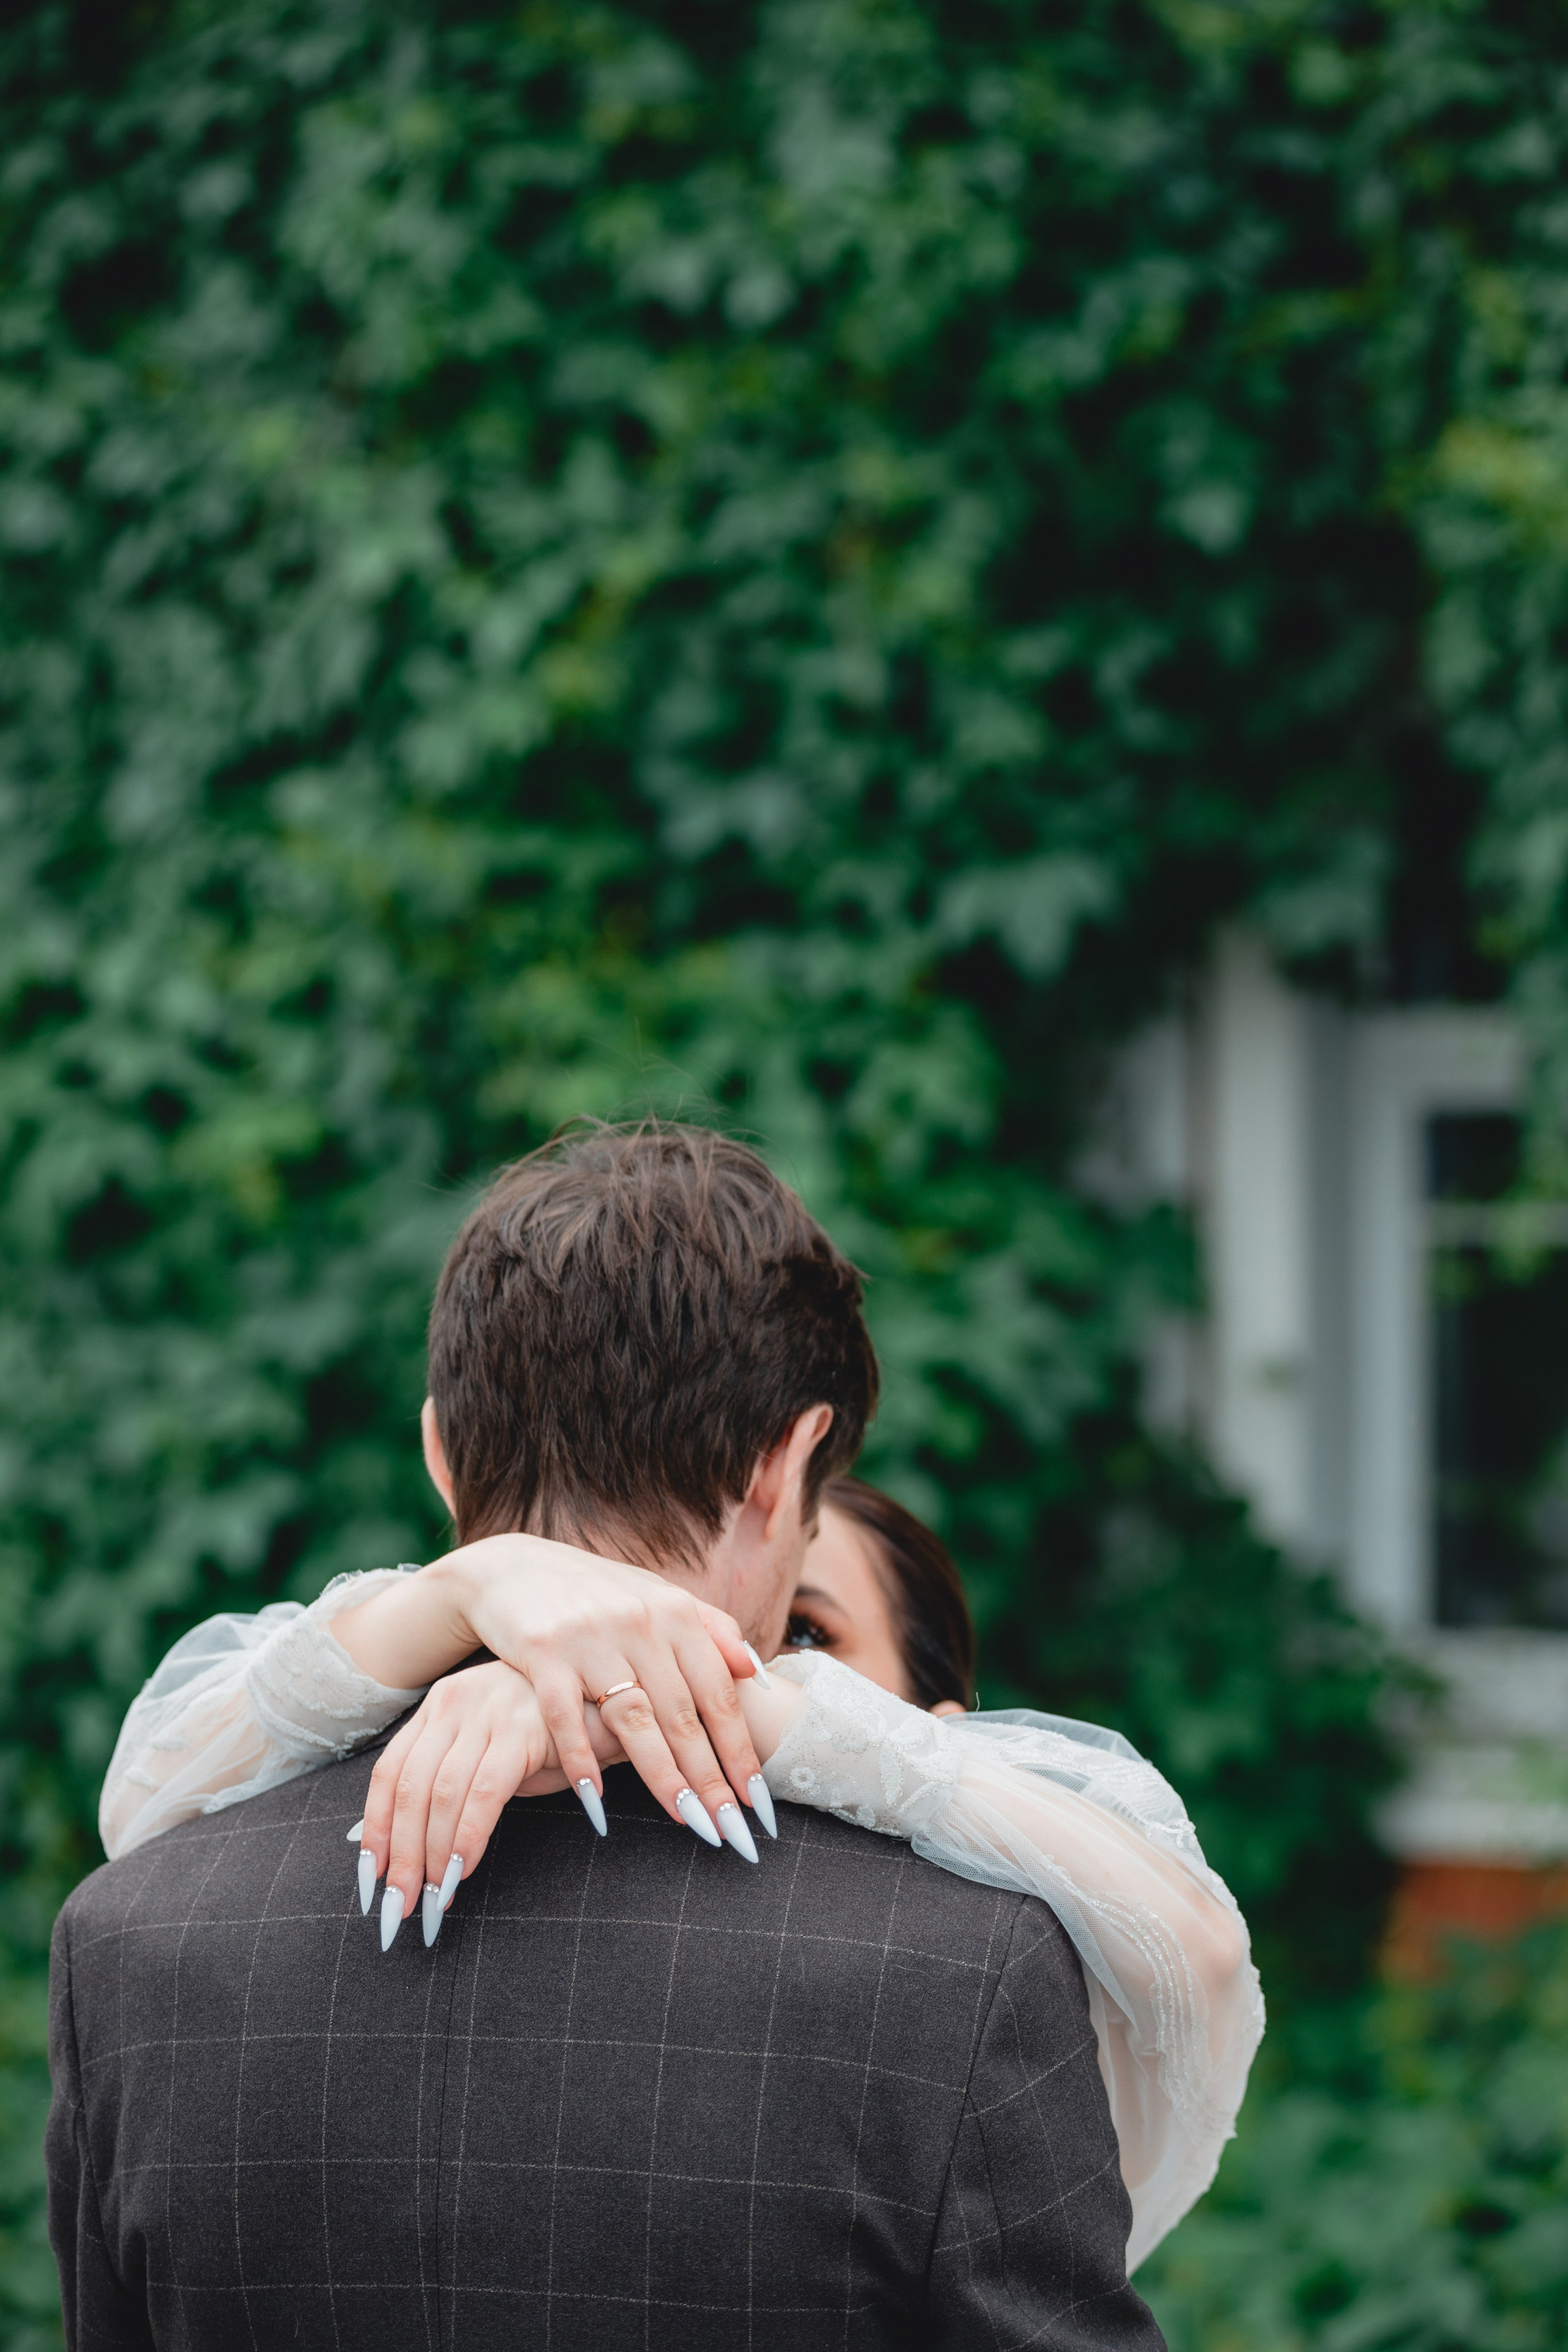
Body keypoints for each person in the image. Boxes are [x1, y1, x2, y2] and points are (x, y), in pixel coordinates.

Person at [47, 1124, 1197, 2348]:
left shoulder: (128, 1948)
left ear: (442, 1452)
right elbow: (1198, 1972)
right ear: (783, 1470)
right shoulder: (963, 1972)